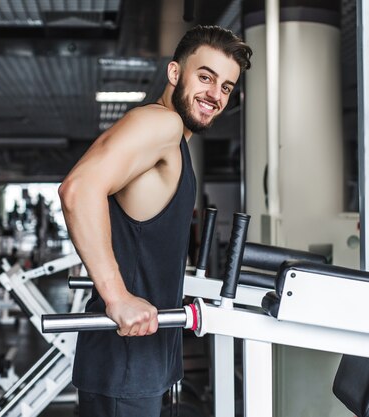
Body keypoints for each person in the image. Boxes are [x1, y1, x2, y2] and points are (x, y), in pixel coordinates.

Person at [58, 25, 252, 416]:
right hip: (126, 362)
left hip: (138, 360)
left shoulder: (173, 142)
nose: (215, 95)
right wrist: (117, 297)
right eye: (205, 77)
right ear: (175, 74)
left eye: (227, 87)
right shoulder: (159, 124)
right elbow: (77, 189)